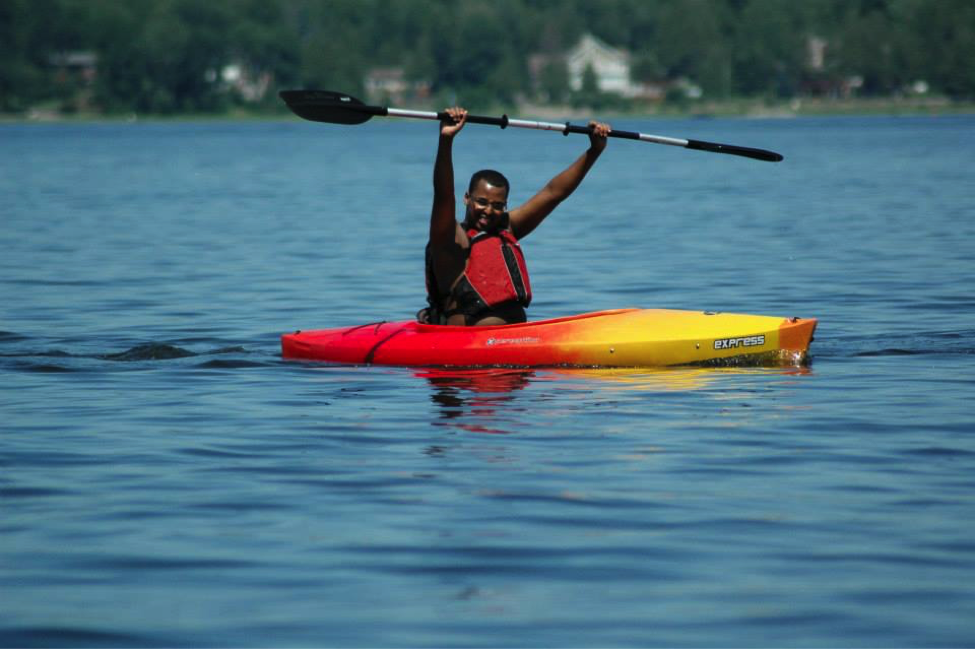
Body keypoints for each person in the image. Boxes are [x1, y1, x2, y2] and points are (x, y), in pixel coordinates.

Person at [420, 106, 611, 326]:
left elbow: (553, 194)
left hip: (516, 337)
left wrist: (594, 151)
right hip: (471, 343)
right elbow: (443, 195)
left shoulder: (506, 229)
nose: (489, 211)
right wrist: (446, 140)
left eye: (497, 205)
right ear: (466, 198)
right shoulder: (449, 239)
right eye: (482, 202)